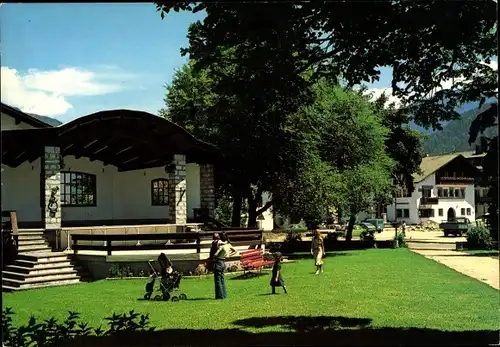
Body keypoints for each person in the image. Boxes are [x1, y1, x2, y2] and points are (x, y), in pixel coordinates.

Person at [213, 233, 237, 300]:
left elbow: (216, 254)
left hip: (219, 262)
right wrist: (229, 255)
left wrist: (216, 250)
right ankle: (224, 295)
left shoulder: (221, 246)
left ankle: (220, 296)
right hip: (224, 262)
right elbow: (235, 251)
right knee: (222, 279)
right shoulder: (228, 245)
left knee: (218, 279)